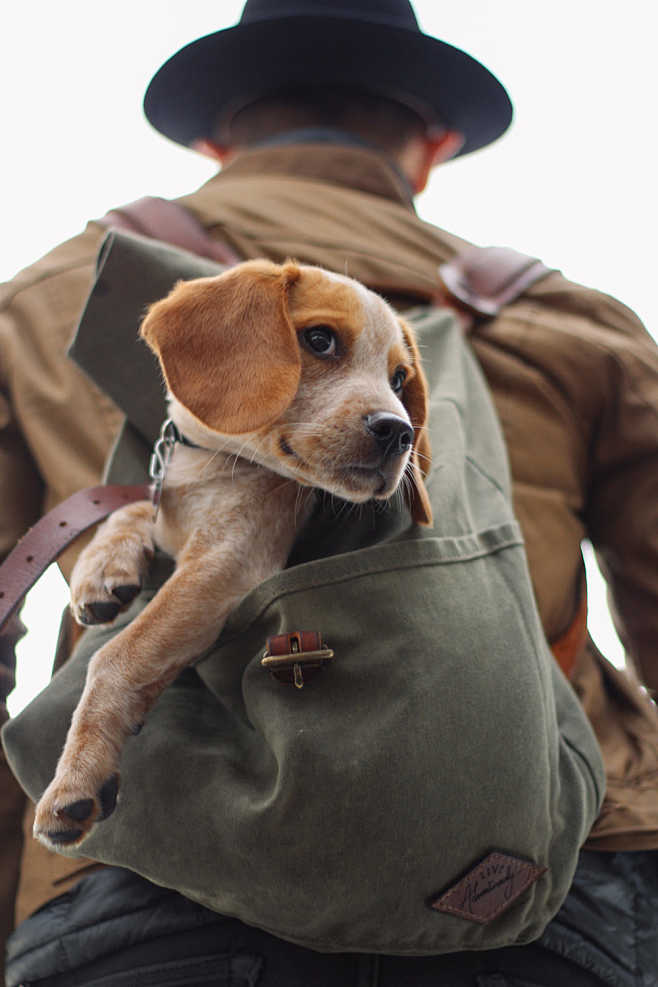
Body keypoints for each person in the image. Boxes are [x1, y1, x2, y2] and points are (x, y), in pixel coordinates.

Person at [1, 1, 657, 984]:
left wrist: (35, 893)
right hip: (536, 887)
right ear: (430, 148)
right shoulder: (573, 324)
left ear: (218, 137)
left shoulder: (59, 294)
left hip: (144, 879)